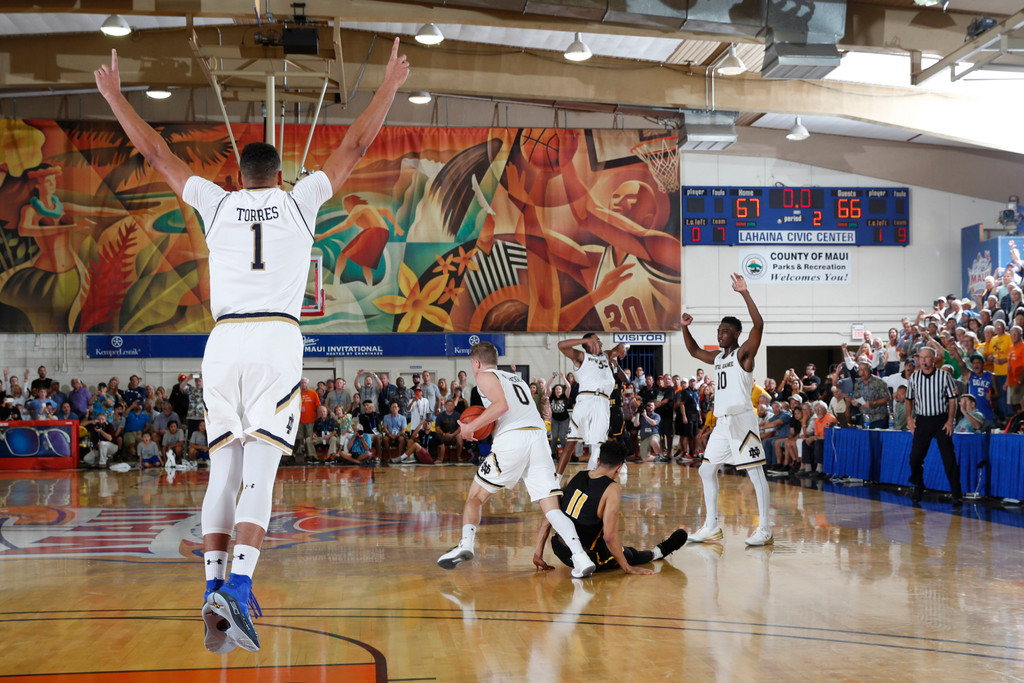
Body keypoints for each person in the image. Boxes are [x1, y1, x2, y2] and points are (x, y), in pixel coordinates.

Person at [94, 39, 409, 653]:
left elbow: (155, 152)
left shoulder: (216, 204)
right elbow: (355, 146)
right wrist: (390, 84)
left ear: (238, 179)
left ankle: (210, 587)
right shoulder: (299, 202)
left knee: (224, 469)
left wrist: (115, 96)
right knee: (260, 469)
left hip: (222, 342)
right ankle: (237, 587)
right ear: (280, 177)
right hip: (274, 338)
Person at [437, 342, 596, 578]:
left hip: (514, 439)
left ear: (476, 363)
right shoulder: (516, 379)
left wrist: (470, 427)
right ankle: (581, 558)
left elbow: (502, 406)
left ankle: (466, 544)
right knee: (551, 508)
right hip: (538, 437)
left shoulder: (484, 376)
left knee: (475, 497)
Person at [680, 273, 773, 546]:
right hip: (722, 424)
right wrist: (684, 327)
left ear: (735, 334)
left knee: (755, 473)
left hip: (743, 421)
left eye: (724, 331)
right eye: (718, 330)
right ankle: (711, 526)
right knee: (706, 471)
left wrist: (744, 292)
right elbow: (695, 350)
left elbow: (759, 324)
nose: (719, 334)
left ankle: (764, 528)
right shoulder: (718, 357)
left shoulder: (743, 355)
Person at [532, 441, 688, 574]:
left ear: (598, 460)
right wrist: (627, 568)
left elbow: (550, 516)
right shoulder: (612, 489)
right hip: (587, 557)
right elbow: (609, 536)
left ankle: (648, 553)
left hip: (558, 546)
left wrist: (538, 553)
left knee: (610, 543)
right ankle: (658, 552)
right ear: (619, 468)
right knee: (627, 553)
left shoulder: (576, 475)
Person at [556, 333, 625, 472]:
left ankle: (591, 476)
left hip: (603, 402)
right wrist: (585, 339)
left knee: (598, 444)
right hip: (586, 400)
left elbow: (619, 347)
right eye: (597, 340)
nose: (601, 343)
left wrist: (623, 347)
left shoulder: (605, 355)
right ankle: (556, 480)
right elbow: (561, 345)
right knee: (571, 443)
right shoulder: (582, 357)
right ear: (589, 343)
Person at [905, 346, 962, 505]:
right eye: (921, 357)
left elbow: (952, 399)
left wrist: (950, 420)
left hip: (941, 421)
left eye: (926, 357)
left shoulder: (944, 376)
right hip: (922, 420)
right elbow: (908, 399)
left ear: (934, 359)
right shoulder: (915, 377)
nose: (923, 360)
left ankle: (956, 494)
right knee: (914, 458)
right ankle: (919, 484)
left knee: (948, 458)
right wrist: (909, 419)